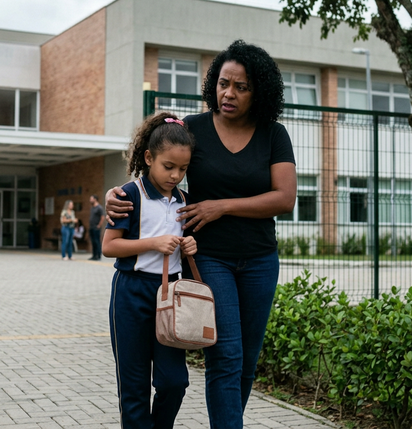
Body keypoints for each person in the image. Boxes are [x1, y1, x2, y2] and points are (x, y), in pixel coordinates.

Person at [107, 40, 297, 429]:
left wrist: (221, 205)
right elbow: (156, 169)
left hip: (261, 260)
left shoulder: (273, 134)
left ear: (258, 90)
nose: (229, 93)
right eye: (224, 83)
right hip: (209, 257)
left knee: (245, 360)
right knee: (225, 356)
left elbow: (285, 197)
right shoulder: (191, 128)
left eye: (241, 87)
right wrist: (116, 194)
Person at [102, 112, 198, 429]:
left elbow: (183, 244)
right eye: (168, 166)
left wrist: (189, 246)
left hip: (170, 296)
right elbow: (109, 246)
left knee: (174, 381)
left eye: (182, 169)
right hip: (131, 293)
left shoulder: (186, 201)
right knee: (134, 388)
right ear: (148, 157)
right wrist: (152, 243)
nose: (175, 175)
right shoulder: (129, 195)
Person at [88, 194, 105, 261]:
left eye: (91, 199)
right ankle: (94, 255)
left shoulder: (99, 208)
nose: (90, 200)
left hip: (96, 227)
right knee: (93, 242)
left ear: (95, 199)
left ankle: (98, 255)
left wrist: (99, 225)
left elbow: (102, 217)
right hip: (91, 227)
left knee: (97, 241)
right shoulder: (92, 207)